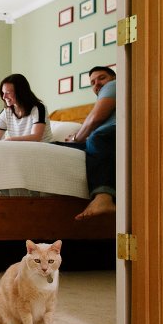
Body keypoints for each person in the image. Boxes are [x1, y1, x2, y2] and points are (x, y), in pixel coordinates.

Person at [60, 65, 116, 220]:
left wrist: (76, 138)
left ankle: (103, 196)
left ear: (114, 78)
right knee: (55, 148)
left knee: (97, 138)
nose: (96, 84)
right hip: (101, 136)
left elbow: (95, 118)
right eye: (92, 82)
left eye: (102, 78)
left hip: (113, 134)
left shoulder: (115, 85)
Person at [0, 74, 53, 142]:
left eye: (8, 92)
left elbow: (36, 137)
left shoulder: (39, 108)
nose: (4, 97)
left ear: (20, 92)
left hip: (43, 148)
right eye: (3, 93)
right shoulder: (6, 112)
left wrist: (9, 140)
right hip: (21, 149)